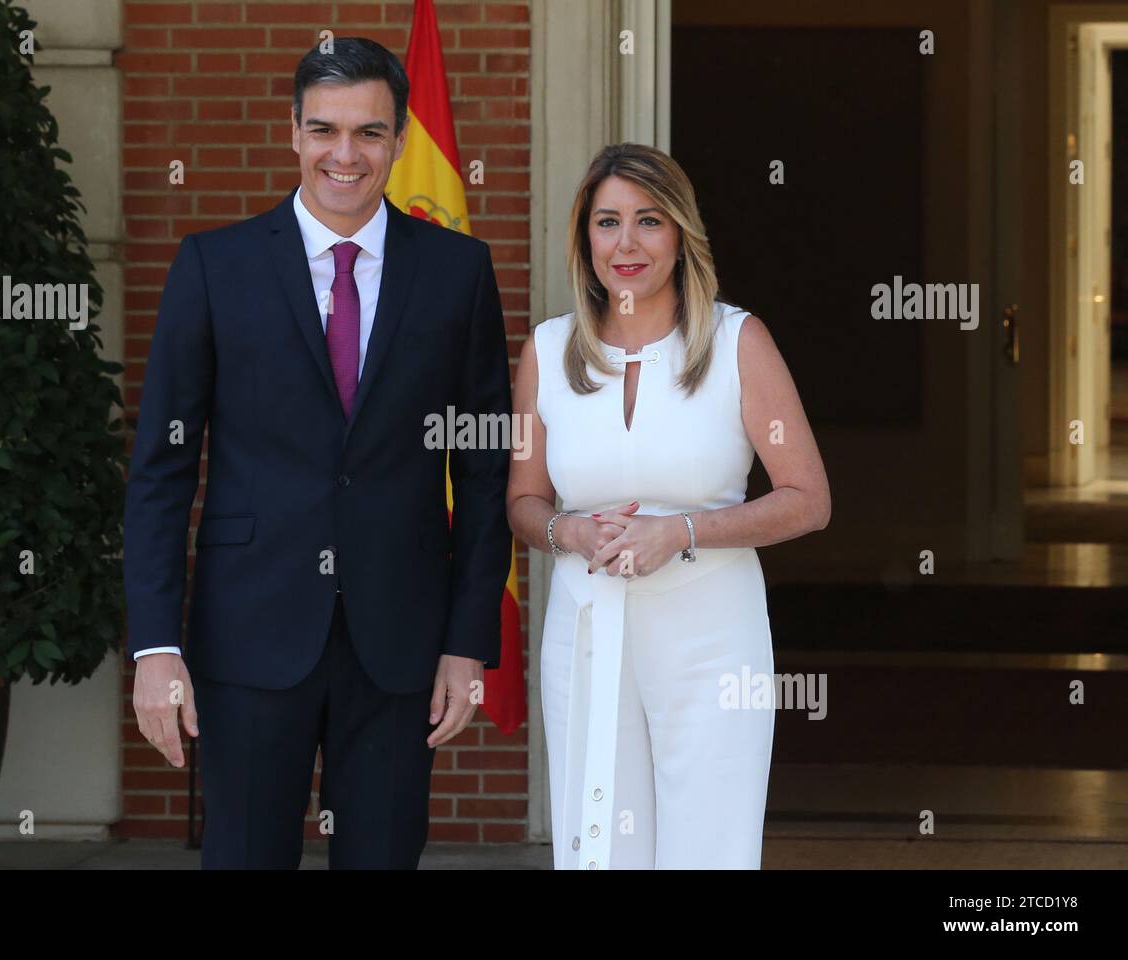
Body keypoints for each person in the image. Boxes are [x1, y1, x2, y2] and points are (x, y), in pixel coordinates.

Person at [123, 37, 512, 869]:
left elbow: (483, 471)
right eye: (326, 130)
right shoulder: (213, 266)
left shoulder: (457, 272)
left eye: (369, 133)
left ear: (401, 139)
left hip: (401, 642)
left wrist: (467, 640)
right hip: (248, 633)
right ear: (292, 132)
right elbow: (160, 470)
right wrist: (156, 648)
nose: (346, 154)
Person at [507, 143, 830, 869]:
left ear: (681, 235)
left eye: (649, 221)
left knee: (708, 848)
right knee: (599, 846)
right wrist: (571, 531)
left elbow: (809, 500)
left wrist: (680, 532)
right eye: (607, 221)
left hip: (713, 638)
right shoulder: (549, 352)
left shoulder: (736, 341)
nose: (626, 243)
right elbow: (524, 503)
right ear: (584, 237)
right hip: (585, 634)